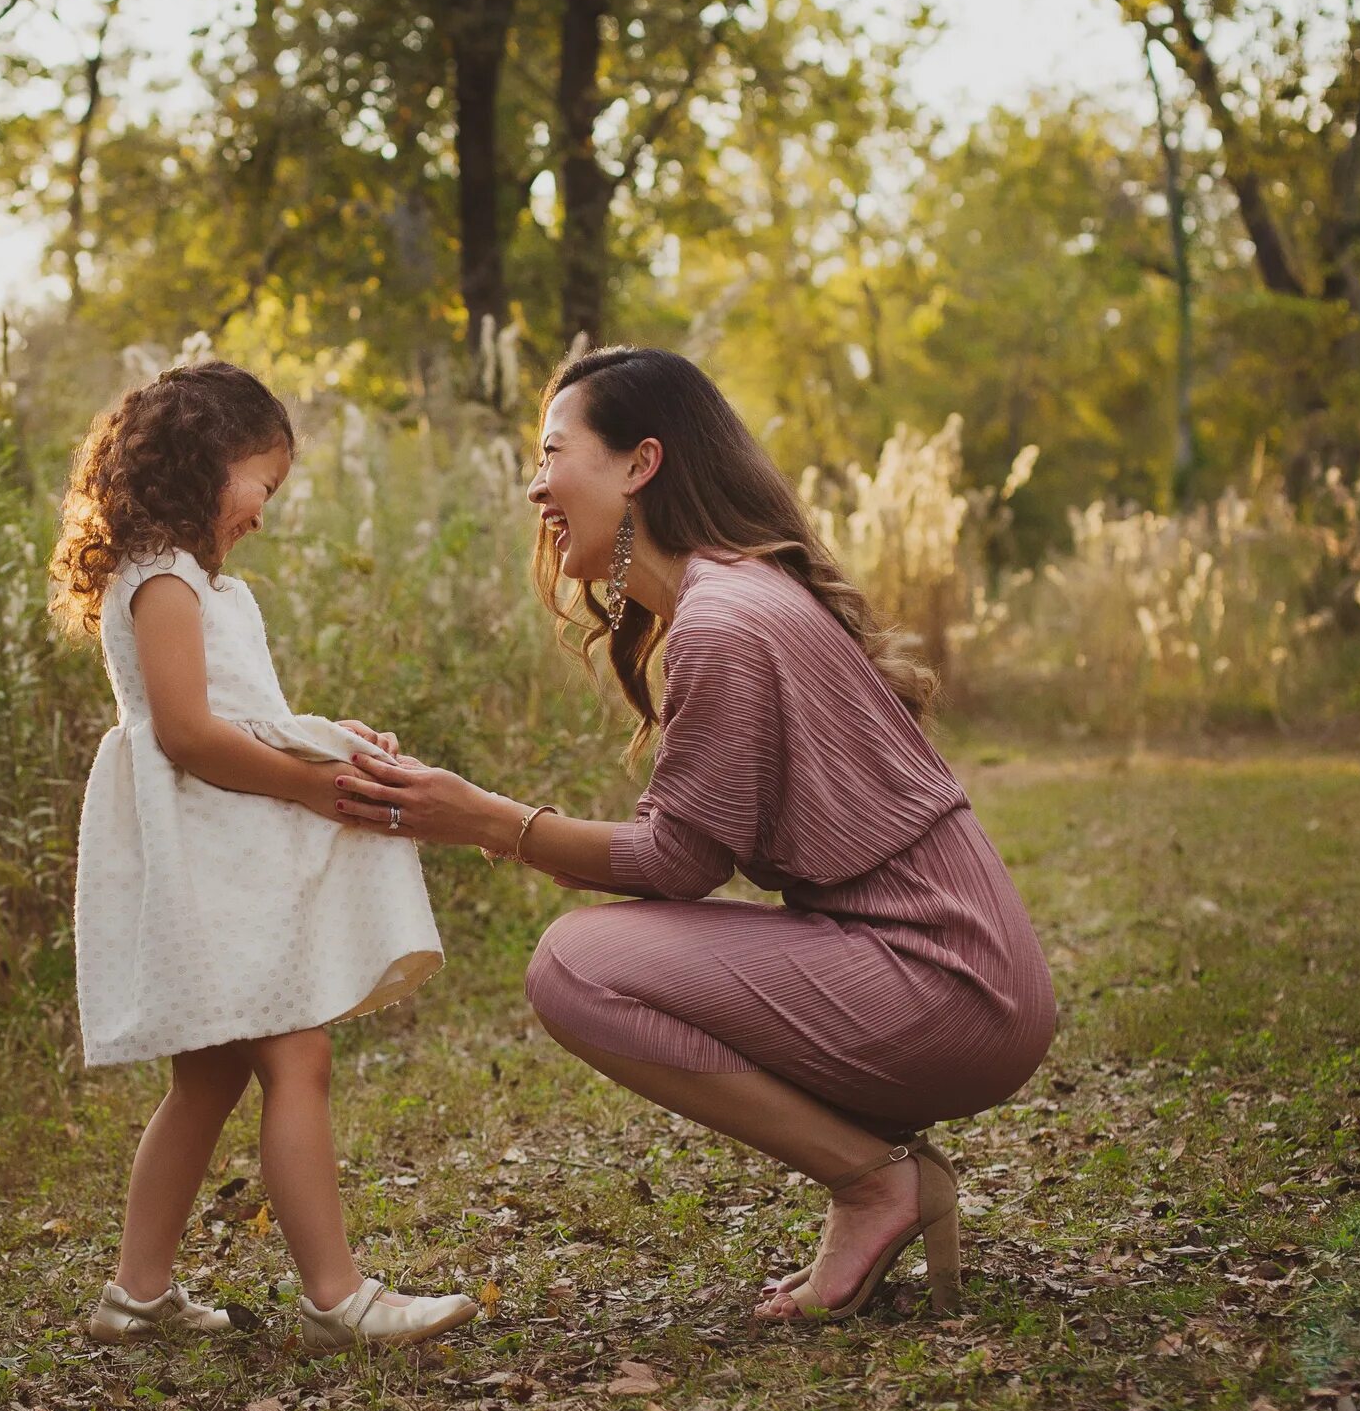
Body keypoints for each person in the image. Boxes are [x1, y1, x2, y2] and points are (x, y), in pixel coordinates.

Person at [331, 348, 1057, 1320]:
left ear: (640, 464)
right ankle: (879, 1177)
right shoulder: (736, 592)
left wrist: (483, 819)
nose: (537, 484)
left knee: (574, 967)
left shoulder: (727, 617)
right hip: (964, 969)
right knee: (595, 959)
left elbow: (677, 863)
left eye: (555, 452)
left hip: (949, 979)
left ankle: (876, 1181)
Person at [54, 360, 481, 1354]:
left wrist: (321, 734)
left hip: (222, 841)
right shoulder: (162, 578)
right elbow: (190, 735)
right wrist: (304, 780)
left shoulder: (195, 581)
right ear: (208, 459)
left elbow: (242, 717)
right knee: (298, 1052)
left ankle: (135, 1292)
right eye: (265, 482)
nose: (264, 510)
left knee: (205, 1078)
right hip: (205, 845)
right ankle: (338, 1297)